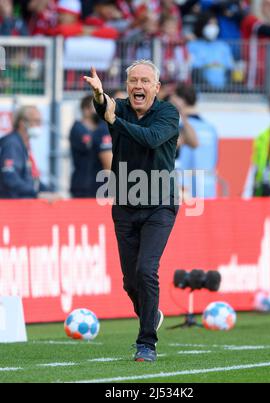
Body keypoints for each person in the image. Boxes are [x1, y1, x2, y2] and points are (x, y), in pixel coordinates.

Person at [84, 60, 179, 362]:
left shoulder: (167, 113)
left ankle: (146, 343)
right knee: (130, 281)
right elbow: (105, 107)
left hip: (159, 206)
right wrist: (99, 97)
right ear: (127, 86)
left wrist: (115, 121)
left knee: (146, 270)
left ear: (156, 87)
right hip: (124, 206)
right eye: (133, 81)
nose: (138, 86)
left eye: (145, 81)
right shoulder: (120, 108)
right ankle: (150, 316)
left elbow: (150, 138)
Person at [171, 83, 219, 198]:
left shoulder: (181, 128)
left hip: (185, 192)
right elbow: (215, 161)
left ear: (180, 101)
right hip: (209, 190)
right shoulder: (210, 128)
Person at [0, 106, 49, 199]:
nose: (39, 125)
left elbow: (30, 180)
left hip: (20, 204)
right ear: (22, 123)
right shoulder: (12, 144)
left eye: (40, 122)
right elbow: (10, 178)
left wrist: (48, 191)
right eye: (36, 121)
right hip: (10, 206)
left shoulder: (23, 144)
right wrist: (36, 193)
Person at [70, 95, 112, 198]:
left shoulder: (99, 130)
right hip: (84, 185)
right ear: (86, 110)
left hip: (97, 184)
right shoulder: (78, 129)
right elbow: (91, 144)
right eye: (96, 107)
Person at [188, 11, 234, 90]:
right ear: (202, 25)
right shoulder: (193, 46)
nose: (212, 27)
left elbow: (229, 70)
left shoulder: (224, 46)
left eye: (215, 24)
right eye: (209, 24)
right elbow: (195, 72)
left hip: (222, 92)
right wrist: (208, 88)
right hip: (201, 92)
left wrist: (225, 89)